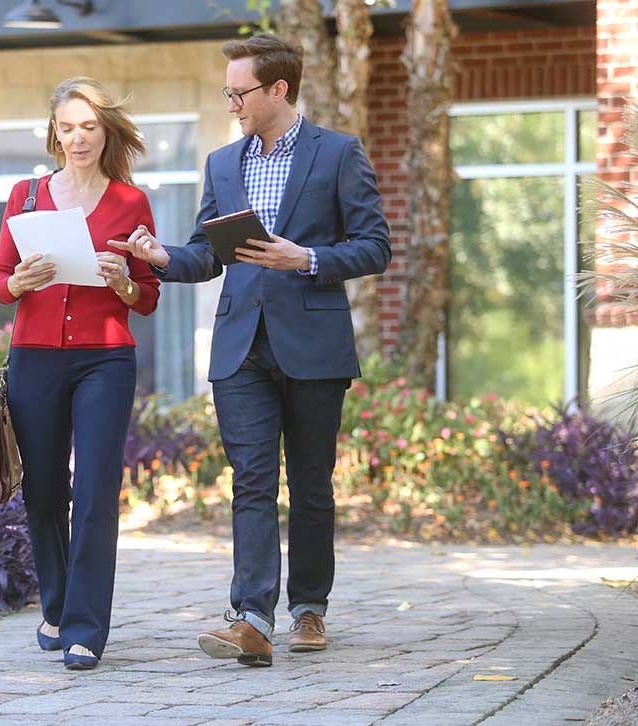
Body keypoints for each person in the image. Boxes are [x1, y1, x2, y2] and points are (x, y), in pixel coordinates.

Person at [111, 33, 391, 667]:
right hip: (241, 347)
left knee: (313, 486)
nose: (232, 102)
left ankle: (309, 607)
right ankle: (251, 619)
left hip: (314, 344)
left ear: (278, 90)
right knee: (253, 482)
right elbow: (207, 254)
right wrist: (160, 257)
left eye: (240, 92)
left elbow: (375, 246)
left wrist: (310, 257)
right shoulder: (222, 164)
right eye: (227, 92)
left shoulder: (339, 154)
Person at [0, 77, 160, 671]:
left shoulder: (131, 203)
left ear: (105, 131)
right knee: (43, 490)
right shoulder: (26, 195)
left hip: (105, 358)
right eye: (68, 127)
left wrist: (126, 283)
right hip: (34, 355)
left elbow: (148, 297)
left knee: (93, 490)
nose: (79, 137)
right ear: (54, 132)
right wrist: (18, 284)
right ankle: (58, 605)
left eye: (89, 126)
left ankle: (86, 628)